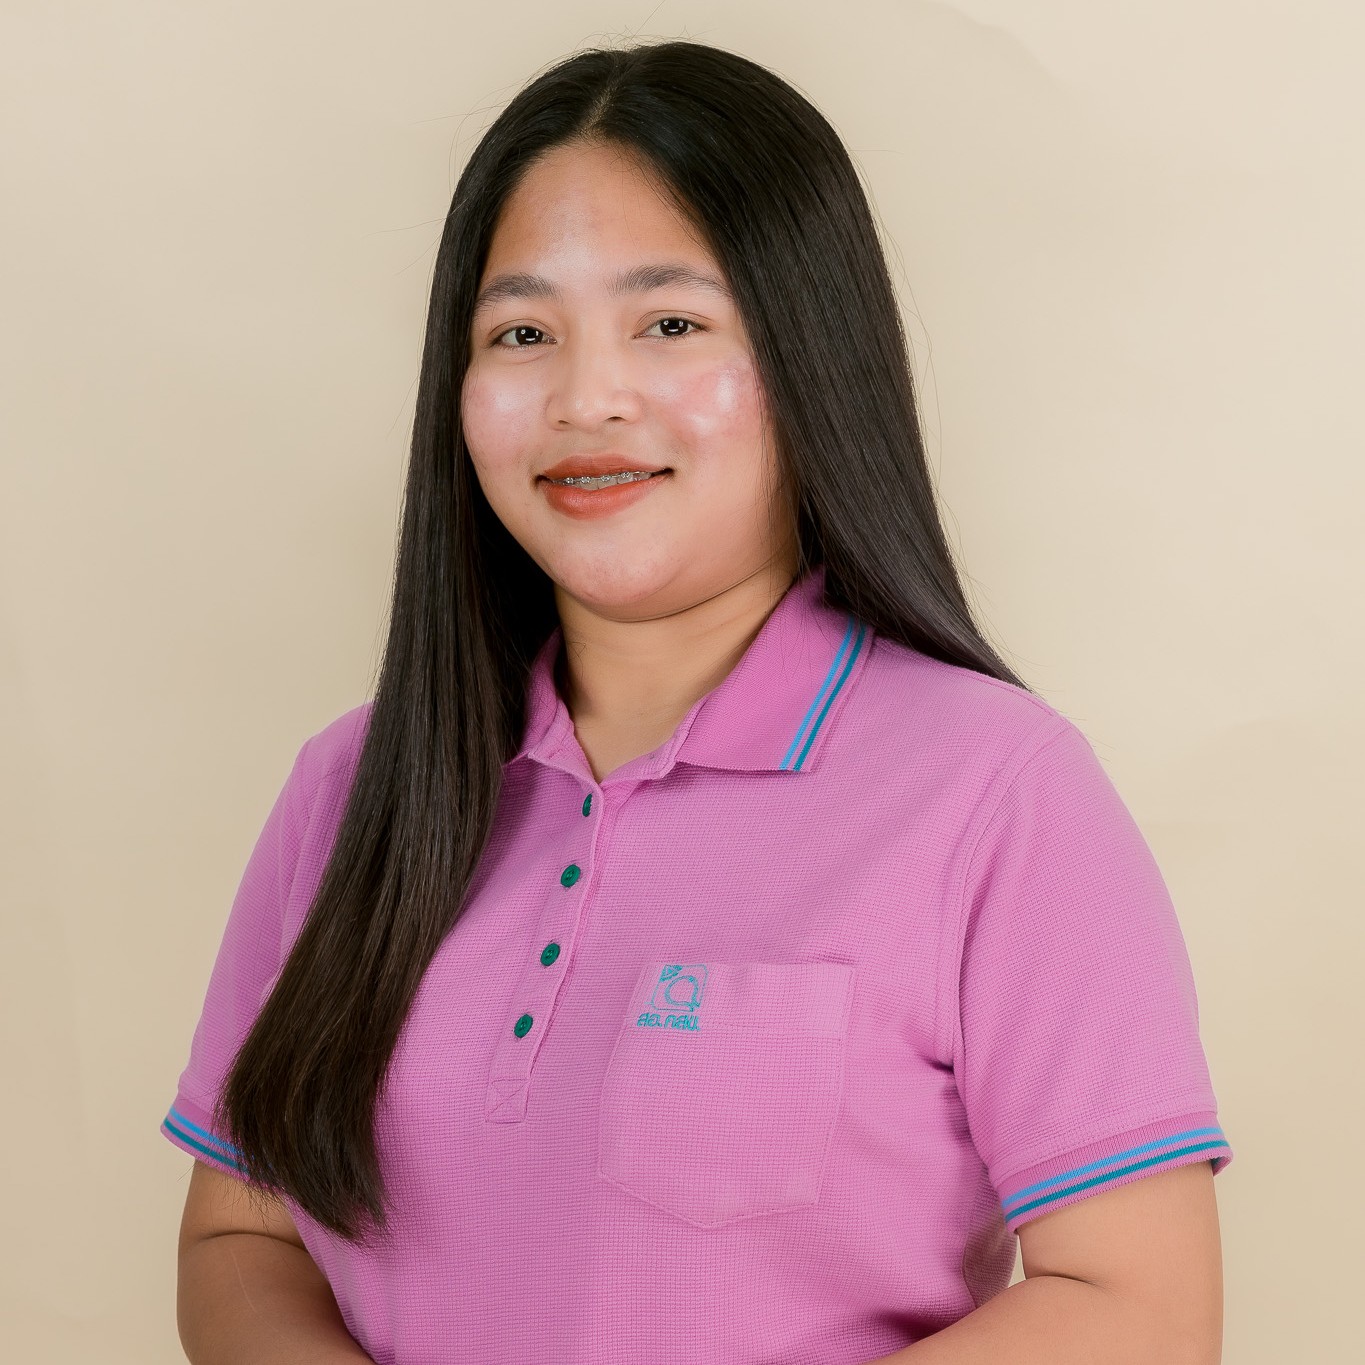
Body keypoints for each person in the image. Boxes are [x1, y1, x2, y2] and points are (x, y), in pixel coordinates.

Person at [161, 38, 1233, 1365]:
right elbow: (241, 1239)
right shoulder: (353, 788)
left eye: (669, 324)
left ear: (808, 355)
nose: (586, 400)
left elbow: (1136, 1305)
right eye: (521, 333)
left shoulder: (995, 789)